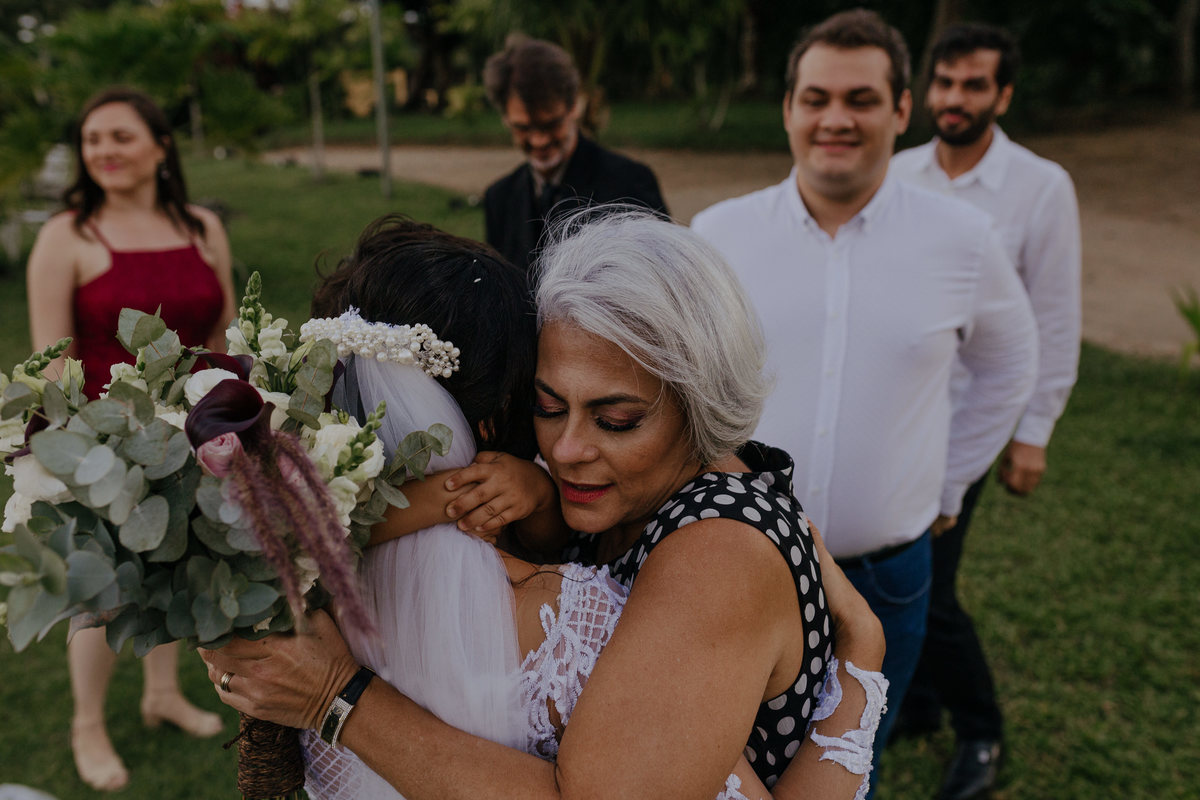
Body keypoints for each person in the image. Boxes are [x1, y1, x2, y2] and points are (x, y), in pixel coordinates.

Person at [201, 210, 888, 799]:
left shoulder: (721, 552)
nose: (565, 451)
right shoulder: (575, 495)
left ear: (700, 409)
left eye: (616, 420)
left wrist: (863, 664)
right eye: (548, 406)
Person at [689, 10, 1038, 795]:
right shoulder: (719, 234)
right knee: (728, 766)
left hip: (890, 573)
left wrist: (950, 483)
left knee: (851, 770)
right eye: (815, 98)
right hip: (744, 563)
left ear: (901, 110)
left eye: (861, 99)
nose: (836, 119)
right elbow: (684, 381)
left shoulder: (963, 237)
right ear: (787, 109)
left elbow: (1011, 363)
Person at [24, 86, 236, 791]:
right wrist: (93, 442)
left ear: (160, 144)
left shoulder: (203, 226)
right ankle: (87, 722)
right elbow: (50, 358)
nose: (103, 152)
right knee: (103, 588)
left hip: (196, 432)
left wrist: (226, 413)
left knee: (174, 567)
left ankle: (163, 693)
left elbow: (223, 335)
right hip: (101, 441)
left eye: (119, 137)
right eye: (92, 140)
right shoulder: (69, 236)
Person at [889, 23, 1082, 799]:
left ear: (1003, 95)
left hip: (965, 427)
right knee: (904, 569)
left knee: (929, 587)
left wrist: (1032, 433)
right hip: (897, 415)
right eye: (944, 83)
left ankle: (980, 733)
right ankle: (922, 705)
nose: (954, 99)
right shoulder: (897, 171)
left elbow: (1055, 318)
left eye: (974, 86)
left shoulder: (1041, 187)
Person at [482, 36, 668, 275]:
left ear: (575, 107)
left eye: (551, 124)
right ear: (505, 119)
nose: (539, 140)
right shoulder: (499, 198)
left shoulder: (631, 183)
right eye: (523, 128)